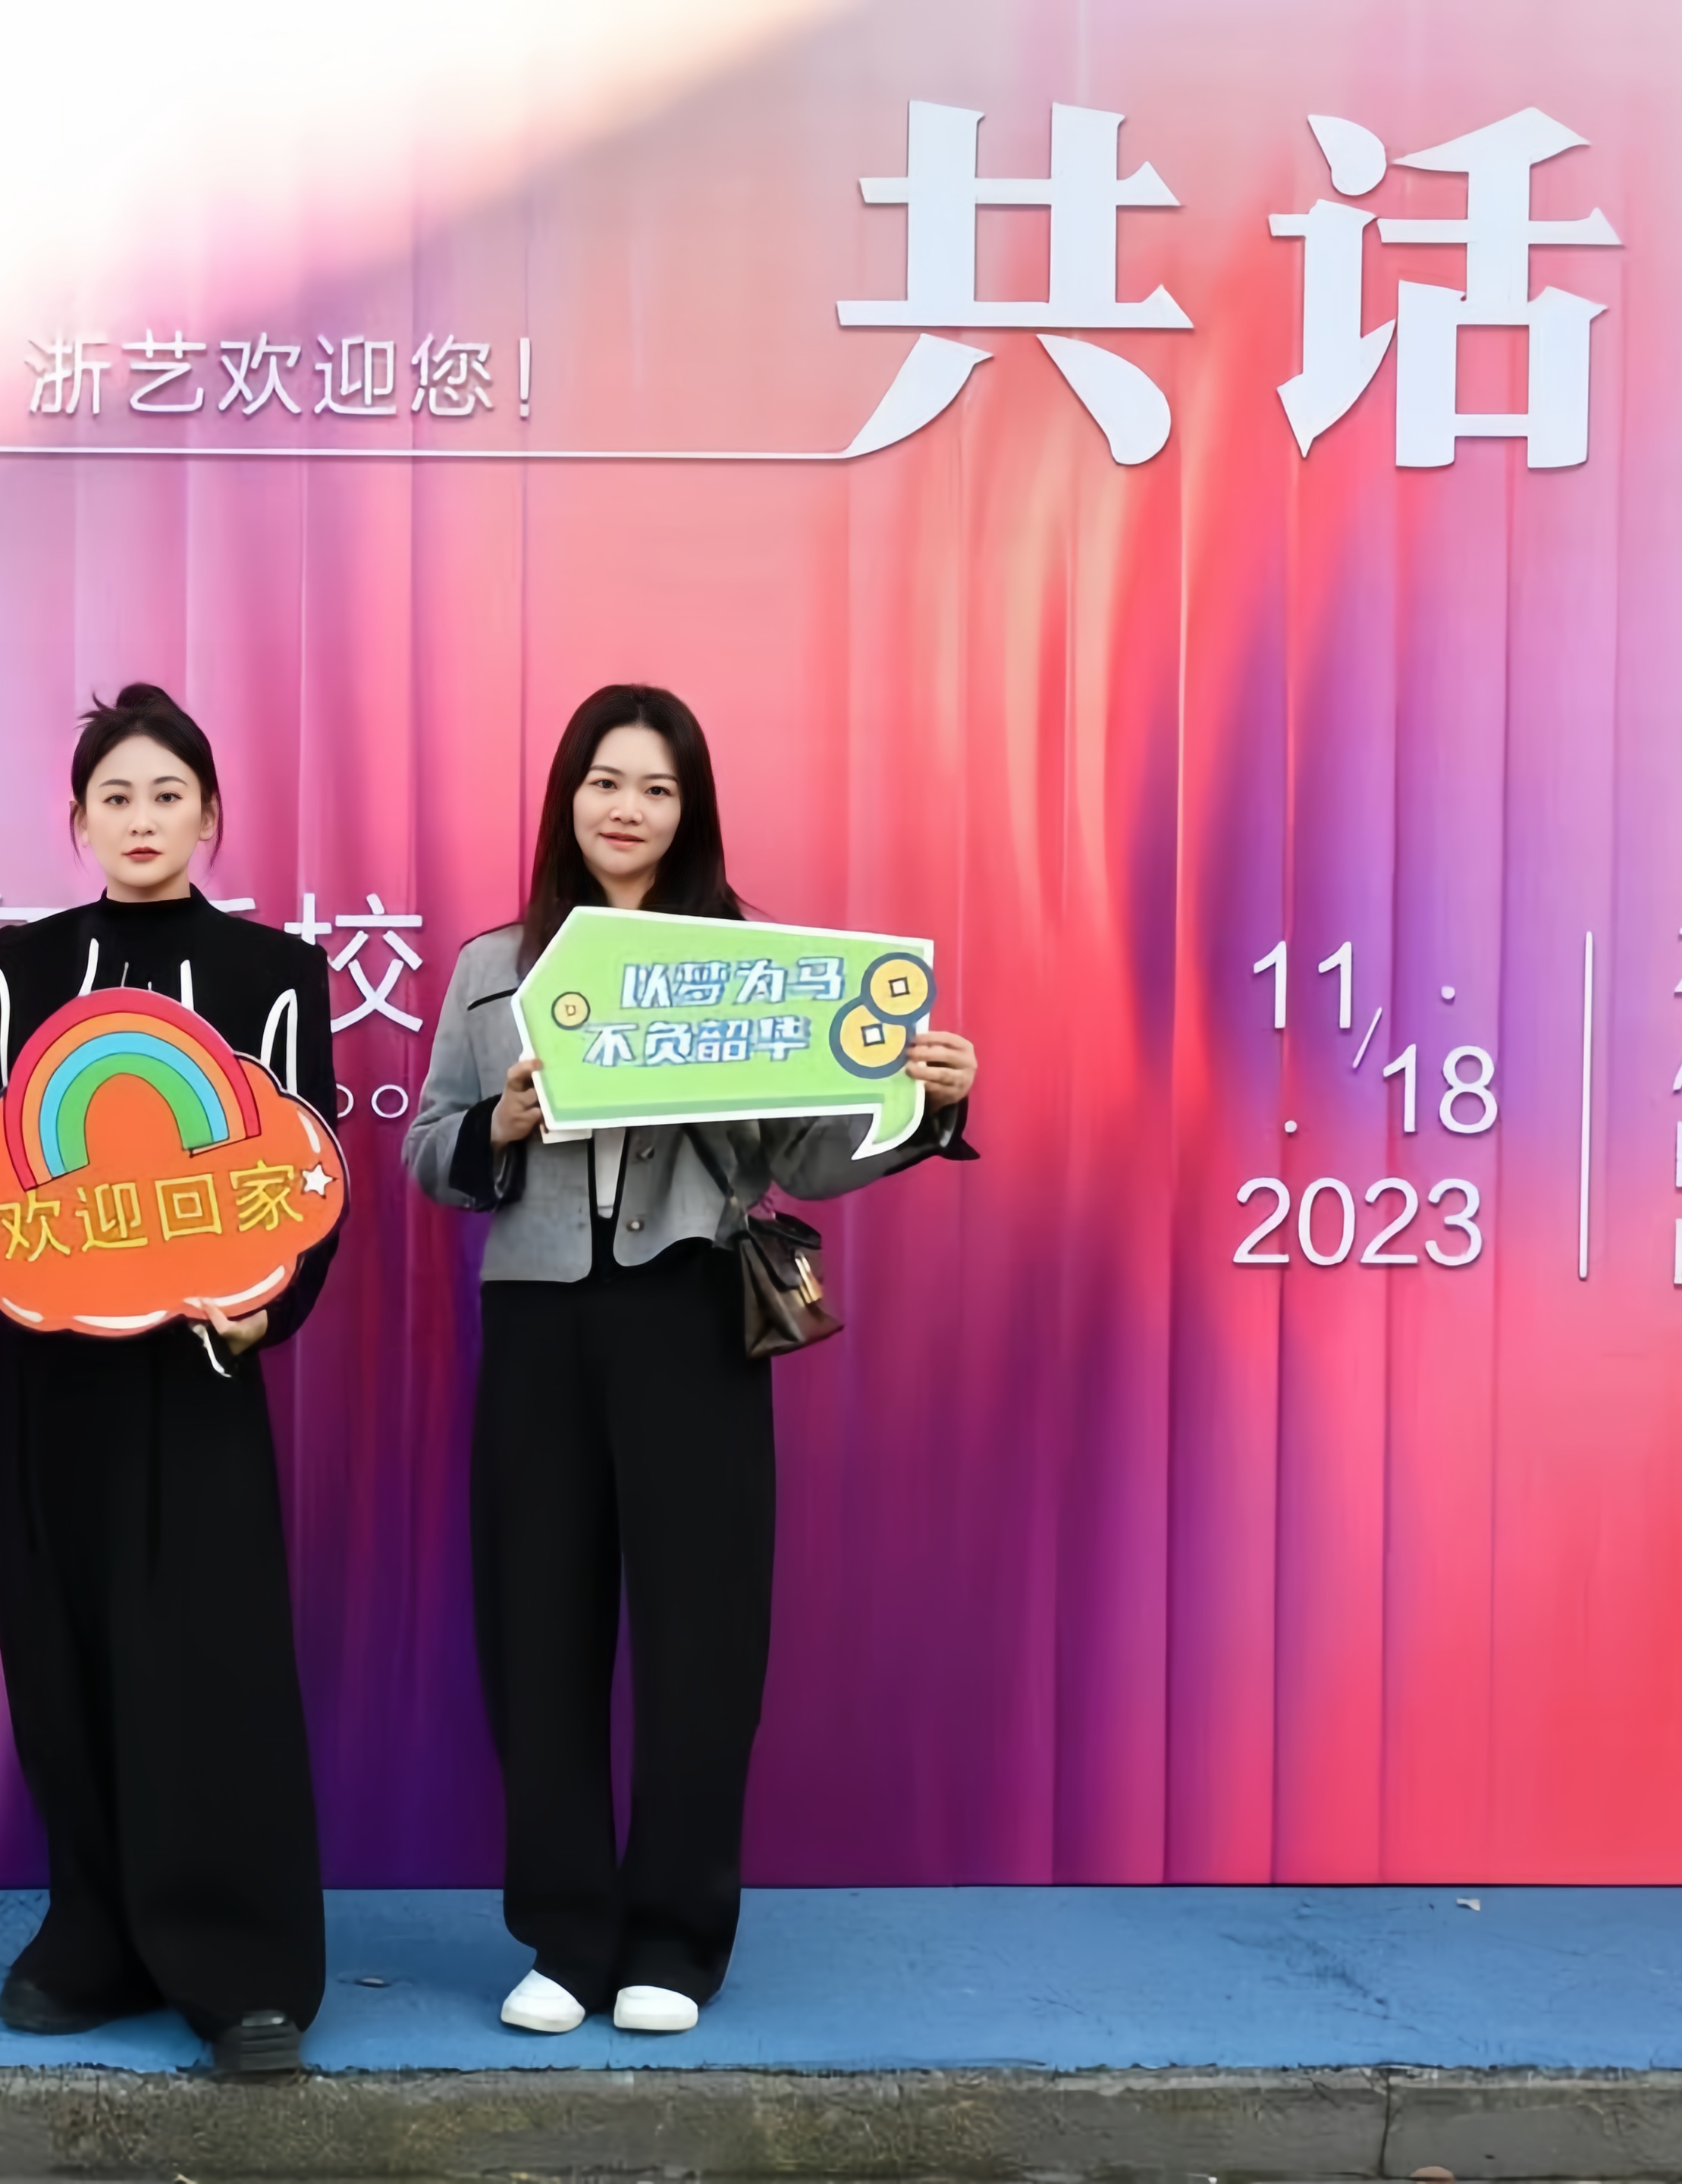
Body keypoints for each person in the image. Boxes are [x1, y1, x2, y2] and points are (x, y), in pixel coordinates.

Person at [405, 684, 978, 2039]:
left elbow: (808, 1159)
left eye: (657, 789)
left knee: (701, 1640)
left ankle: (675, 1936)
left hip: (691, 1317)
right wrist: (502, 1125)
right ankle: (566, 1936)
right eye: (606, 782)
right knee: (538, 1633)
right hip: (540, 1326)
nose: (628, 809)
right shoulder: (492, 969)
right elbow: (429, 1152)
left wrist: (919, 1103)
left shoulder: (753, 969)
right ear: (568, 798)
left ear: (690, 812)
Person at [0, 683, 336, 2079]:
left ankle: (243, 1967)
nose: (144, 819)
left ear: (210, 815)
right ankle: (93, 1937)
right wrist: (31, 1238)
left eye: (169, 795)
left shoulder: (275, 972)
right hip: (50, 1374)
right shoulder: (23, 964)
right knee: (64, 1653)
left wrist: (264, 1313)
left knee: (209, 1660)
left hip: (202, 1372)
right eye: (117, 797)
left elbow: (307, 1173)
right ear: (79, 821)